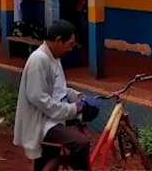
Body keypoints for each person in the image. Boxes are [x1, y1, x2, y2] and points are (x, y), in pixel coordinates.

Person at [13, 20, 93, 171]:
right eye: (69, 44)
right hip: (42, 121)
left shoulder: (54, 58)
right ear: (58, 41)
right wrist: (72, 109)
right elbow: (38, 98)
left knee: (48, 158)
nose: (70, 49)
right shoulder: (39, 60)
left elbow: (60, 89)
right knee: (81, 143)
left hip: (53, 116)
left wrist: (78, 96)